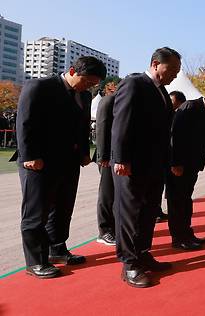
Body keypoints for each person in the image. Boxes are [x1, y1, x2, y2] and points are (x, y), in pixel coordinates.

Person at [15, 56, 106, 279]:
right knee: (36, 212)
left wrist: (85, 153)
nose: (89, 86)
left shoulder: (84, 95)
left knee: (63, 208)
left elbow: (82, 126)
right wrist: (30, 155)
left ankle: (57, 249)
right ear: (73, 70)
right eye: (87, 81)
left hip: (69, 160)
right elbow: (24, 122)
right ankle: (36, 261)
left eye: (94, 84)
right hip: (38, 161)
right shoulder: (40, 86)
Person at [111, 47, 181, 288]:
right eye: (171, 69)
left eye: (177, 71)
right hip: (132, 164)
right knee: (130, 214)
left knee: (148, 211)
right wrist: (120, 158)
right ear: (155, 64)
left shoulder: (162, 91)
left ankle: (142, 253)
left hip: (154, 165)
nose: (174, 75)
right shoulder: (134, 84)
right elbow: (121, 122)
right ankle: (129, 263)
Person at [167, 91, 205, 250]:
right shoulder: (189, 107)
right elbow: (176, 136)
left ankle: (187, 233)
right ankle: (178, 237)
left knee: (186, 200)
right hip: (179, 165)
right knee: (177, 201)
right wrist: (176, 162)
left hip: (191, 165)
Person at [94, 80, 120, 246]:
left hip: (119, 155)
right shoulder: (108, 101)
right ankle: (104, 230)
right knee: (107, 193)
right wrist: (103, 157)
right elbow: (101, 129)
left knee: (117, 194)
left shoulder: (124, 101)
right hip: (107, 156)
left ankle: (116, 227)